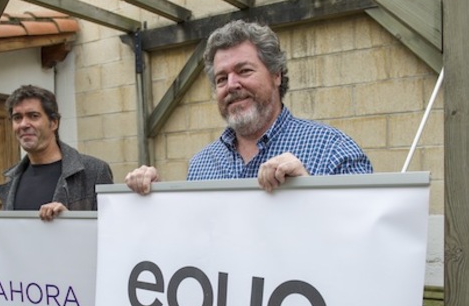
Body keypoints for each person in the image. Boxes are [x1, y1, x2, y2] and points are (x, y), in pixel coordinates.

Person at [125, 20, 372, 194]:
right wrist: (158, 199)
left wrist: (308, 191)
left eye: (244, 71)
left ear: (276, 75)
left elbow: (367, 238)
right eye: (221, 78)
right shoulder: (201, 165)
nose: (232, 85)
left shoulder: (333, 151)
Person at [0, 85, 113, 220]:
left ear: (53, 123)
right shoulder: (12, 180)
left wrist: (70, 223)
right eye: (17, 118)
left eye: (33, 116)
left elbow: (111, 231)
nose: (24, 124)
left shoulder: (94, 171)